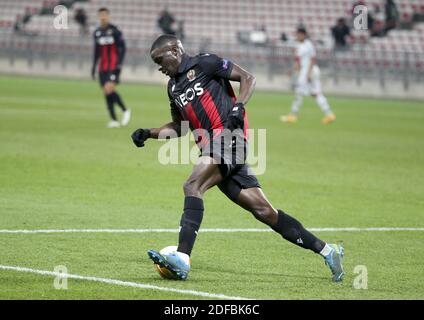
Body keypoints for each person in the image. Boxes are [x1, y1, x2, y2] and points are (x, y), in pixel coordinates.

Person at [131, 34, 345, 282]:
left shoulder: (205, 63)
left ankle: (183, 258)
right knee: (265, 211)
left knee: (192, 185)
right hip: (212, 150)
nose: (160, 67)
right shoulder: (173, 88)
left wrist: (239, 106)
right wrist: (149, 133)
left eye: (161, 60)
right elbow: (180, 127)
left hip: (228, 137)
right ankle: (329, 251)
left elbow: (248, 78)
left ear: (175, 50)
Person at [281, 27, 336, 124]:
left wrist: (308, 74)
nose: (297, 36)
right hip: (306, 72)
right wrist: (292, 70)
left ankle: (293, 115)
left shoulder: (308, 45)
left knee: (299, 93)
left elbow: (313, 59)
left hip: (309, 72)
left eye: (299, 34)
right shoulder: (299, 46)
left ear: (303, 35)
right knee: (315, 94)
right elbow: (299, 62)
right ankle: (329, 114)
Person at [91, 7, 130, 128]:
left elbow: (123, 48)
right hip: (102, 67)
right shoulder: (97, 32)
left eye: (105, 15)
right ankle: (113, 120)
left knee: (109, 89)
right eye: (101, 15)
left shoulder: (115, 31)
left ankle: (125, 110)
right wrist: (93, 66)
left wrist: (119, 64)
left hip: (113, 66)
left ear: (108, 16)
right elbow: (96, 51)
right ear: (99, 16)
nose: (103, 17)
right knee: (107, 92)